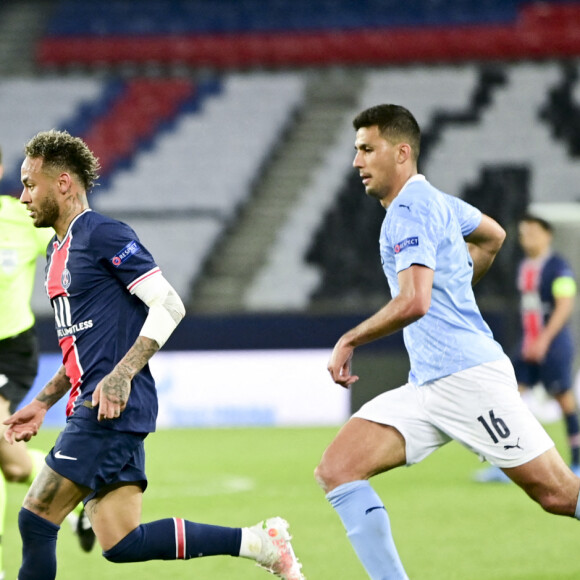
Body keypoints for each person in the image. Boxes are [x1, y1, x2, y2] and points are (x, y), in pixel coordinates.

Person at [4, 130, 304, 580]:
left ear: (63, 182)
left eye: (31, 184)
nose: (23, 195)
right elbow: (79, 345)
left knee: (37, 516)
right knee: (122, 542)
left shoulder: (103, 234)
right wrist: (43, 402)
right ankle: (261, 543)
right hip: (95, 403)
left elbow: (169, 304)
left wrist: (123, 374)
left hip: (110, 409)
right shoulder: (54, 251)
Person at [314, 104, 580, 579]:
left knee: (560, 495)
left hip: (468, 379)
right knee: (338, 468)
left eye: (367, 149)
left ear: (401, 152)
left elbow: (414, 301)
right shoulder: (436, 201)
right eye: (356, 150)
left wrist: (348, 339)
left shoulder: (409, 211)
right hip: (428, 386)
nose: (356, 162)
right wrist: (457, 281)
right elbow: (493, 235)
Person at [0, 145, 96, 578]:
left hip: (8, 348)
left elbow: (71, 241)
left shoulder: (19, 218)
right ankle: (74, 501)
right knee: (13, 464)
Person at [475, 214, 580, 483]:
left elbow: (565, 304)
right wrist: (529, 342)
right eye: (523, 233)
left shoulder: (559, 267)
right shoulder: (524, 267)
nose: (526, 238)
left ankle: (577, 462)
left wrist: (544, 340)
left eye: (532, 232)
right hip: (528, 344)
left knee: (565, 400)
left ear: (548, 235)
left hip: (552, 344)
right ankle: (506, 464)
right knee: (508, 398)